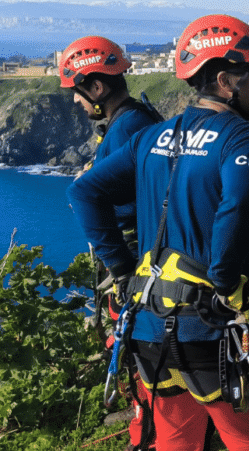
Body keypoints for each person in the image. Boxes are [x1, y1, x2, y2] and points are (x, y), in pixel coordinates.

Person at [68, 15, 249, 451]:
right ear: (226, 81)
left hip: (149, 328)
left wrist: (124, 269)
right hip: (212, 330)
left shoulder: (152, 136)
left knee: (175, 442)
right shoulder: (243, 139)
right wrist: (227, 282)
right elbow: (238, 204)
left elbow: (85, 191)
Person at [60, 35, 164, 450]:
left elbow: (95, 195)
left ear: (97, 87)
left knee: (142, 350)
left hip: (135, 257)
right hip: (141, 252)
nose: (75, 102)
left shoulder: (130, 128)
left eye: (76, 92)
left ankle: (154, 434)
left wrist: (121, 269)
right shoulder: (131, 122)